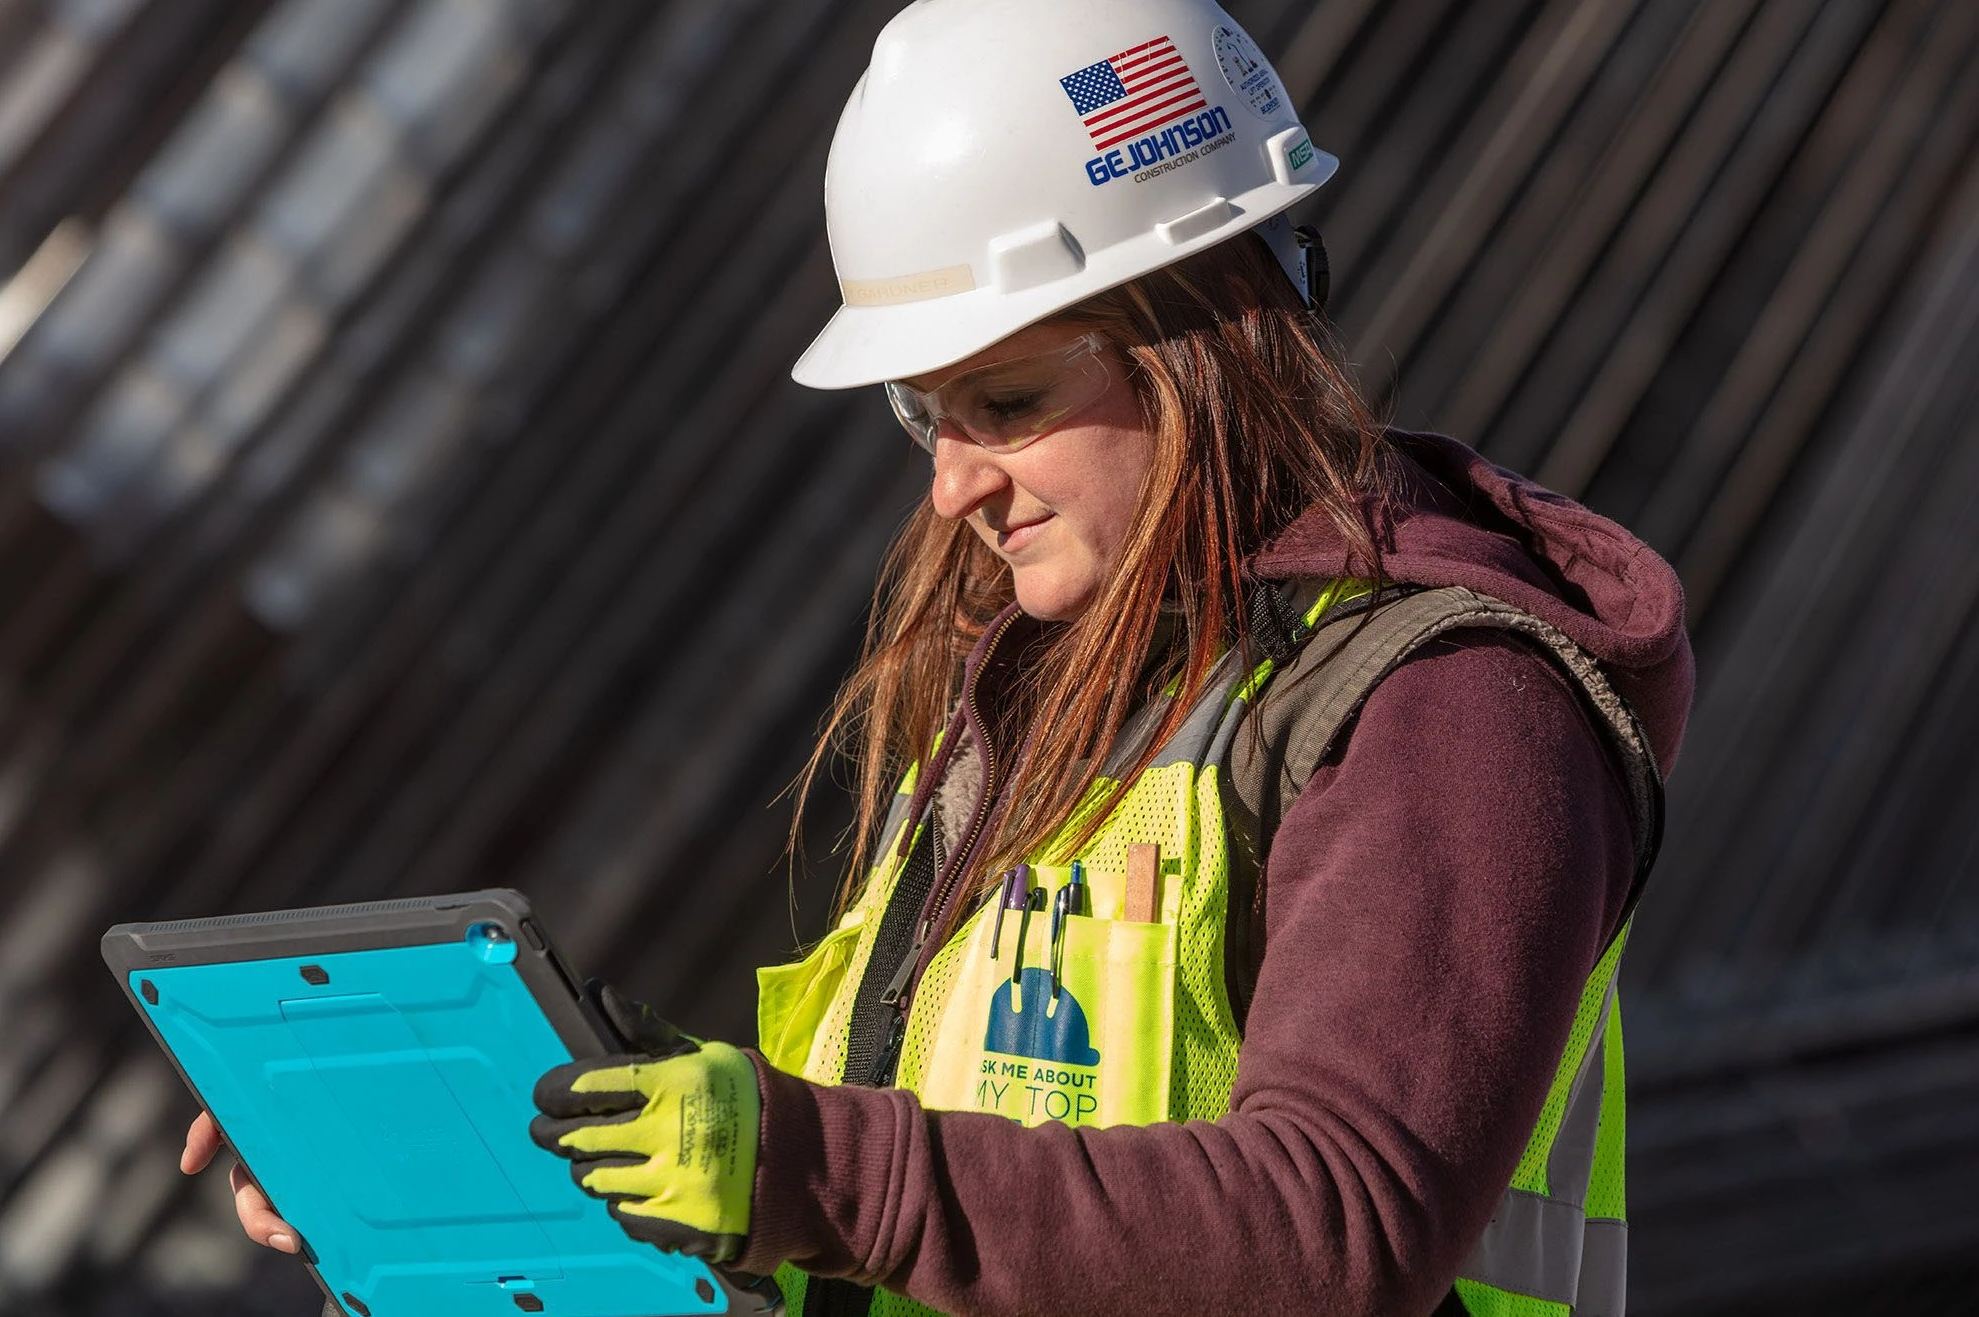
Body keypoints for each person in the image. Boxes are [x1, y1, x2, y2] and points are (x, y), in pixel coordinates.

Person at [182, 1, 1694, 1313]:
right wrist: (493, 1176)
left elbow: (1339, 1232)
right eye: (926, 413)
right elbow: (928, 1232)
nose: (953, 485)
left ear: (1215, 335)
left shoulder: (1449, 708)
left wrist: (803, 1168)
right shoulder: (1052, 696)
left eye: (1009, 400)